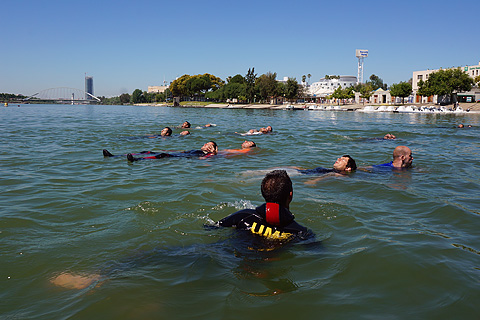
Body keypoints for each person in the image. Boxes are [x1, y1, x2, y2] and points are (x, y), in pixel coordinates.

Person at [214, 170, 313, 241]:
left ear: (263, 193)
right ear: (290, 195)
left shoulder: (243, 216)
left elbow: (211, 228)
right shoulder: (299, 231)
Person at [127, 141, 218, 161]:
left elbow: (204, 160)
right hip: (177, 153)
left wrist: (213, 152)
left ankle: (137, 159)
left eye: (208, 145)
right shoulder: (196, 150)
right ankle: (116, 156)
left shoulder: (208, 154)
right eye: (205, 143)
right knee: (148, 151)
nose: (205, 145)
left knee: (162, 155)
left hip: (179, 158)